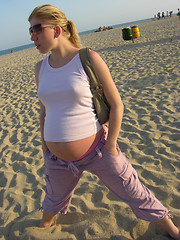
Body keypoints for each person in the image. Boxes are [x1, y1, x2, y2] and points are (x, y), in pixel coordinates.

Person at [28, 4, 180, 239]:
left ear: (57, 30)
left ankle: (173, 230)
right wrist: (44, 146)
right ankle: (42, 230)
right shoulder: (40, 68)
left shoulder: (87, 58)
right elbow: (44, 111)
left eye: (37, 29)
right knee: (51, 203)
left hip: (98, 150)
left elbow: (117, 105)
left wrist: (111, 146)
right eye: (30, 31)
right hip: (57, 161)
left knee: (134, 191)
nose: (32, 36)